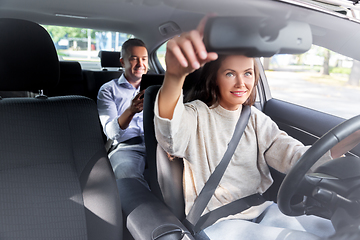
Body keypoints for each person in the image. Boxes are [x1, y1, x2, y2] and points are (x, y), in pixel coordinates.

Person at [154, 16, 360, 240]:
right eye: (230, 73)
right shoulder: (196, 114)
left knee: (337, 230)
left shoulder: (257, 120)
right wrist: (174, 76)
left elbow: (298, 159)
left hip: (265, 210)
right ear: (214, 78)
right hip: (220, 223)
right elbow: (170, 135)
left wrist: (355, 136)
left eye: (248, 73)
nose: (241, 83)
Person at [97, 38, 149, 187]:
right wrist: (131, 111)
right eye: (134, 59)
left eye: (144, 59)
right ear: (122, 62)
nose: (140, 64)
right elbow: (111, 133)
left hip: (158, 144)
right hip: (125, 147)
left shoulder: (158, 87)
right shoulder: (108, 90)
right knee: (128, 177)